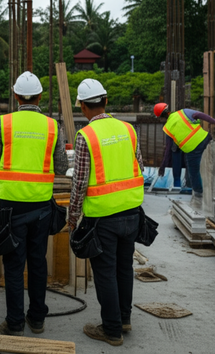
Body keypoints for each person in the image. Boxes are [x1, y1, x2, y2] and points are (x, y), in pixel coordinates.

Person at [0, 71, 68, 336]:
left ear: (15, 96)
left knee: (13, 265)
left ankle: (14, 323)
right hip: (41, 207)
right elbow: (61, 166)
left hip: (11, 207)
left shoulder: (5, 123)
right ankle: (37, 319)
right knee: (37, 263)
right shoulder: (52, 126)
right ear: (40, 96)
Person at [68, 78, 144, 347]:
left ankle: (112, 330)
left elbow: (79, 182)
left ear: (82, 107)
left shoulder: (85, 136)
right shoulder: (128, 129)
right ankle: (124, 319)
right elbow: (139, 167)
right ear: (106, 101)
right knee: (124, 268)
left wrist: (72, 216)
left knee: (105, 273)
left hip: (103, 217)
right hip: (132, 213)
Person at [155, 103, 215, 206]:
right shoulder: (183, 112)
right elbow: (201, 115)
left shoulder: (167, 127)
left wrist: (162, 166)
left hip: (192, 149)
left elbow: (168, 150)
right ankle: (200, 193)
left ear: (161, 118)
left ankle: (198, 198)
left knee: (193, 173)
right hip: (205, 139)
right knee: (204, 169)